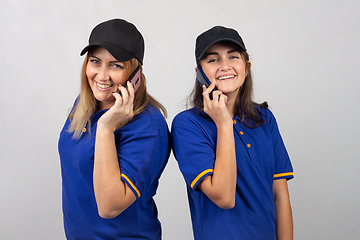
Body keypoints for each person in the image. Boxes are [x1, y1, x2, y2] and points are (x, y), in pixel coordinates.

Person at [171, 26, 294, 240]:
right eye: (213, 60)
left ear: (246, 67)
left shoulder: (264, 119)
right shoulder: (187, 125)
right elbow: (223, 197)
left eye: (233, 57)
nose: (225, 66)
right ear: (199, 73)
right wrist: (224, 124)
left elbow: (280, 196)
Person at [58, 19, 170, 239]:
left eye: (116, 65)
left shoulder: (148, 126)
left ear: (136, 73)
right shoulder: (84, 104)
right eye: (95, 62)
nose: (102, 75)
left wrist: (106, 129)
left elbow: (109, 207)